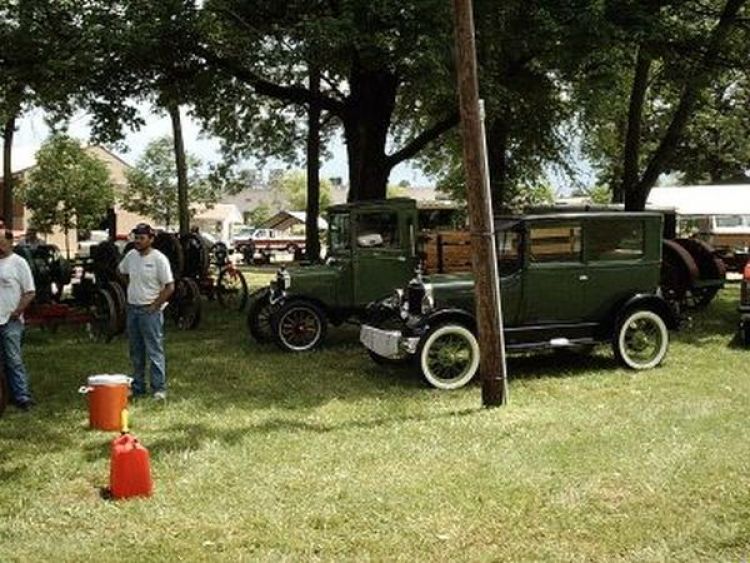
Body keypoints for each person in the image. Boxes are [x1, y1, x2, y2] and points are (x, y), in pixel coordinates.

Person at [118, 224, 174, 400]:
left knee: (154, 350)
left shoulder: (159, 259)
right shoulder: (131, 256)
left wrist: (155, 305)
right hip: (132, 309)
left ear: (151, 239)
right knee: (136, 350)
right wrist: (131, 285)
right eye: (136, 238)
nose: (138, 241)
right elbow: (121, 271)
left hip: (150, 311)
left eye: (142, 238)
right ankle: (138, 386)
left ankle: (158, 388)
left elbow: (169, 286)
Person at [0, 230, 36, 411]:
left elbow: (30, 292)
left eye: (0, 241)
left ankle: (22, 396)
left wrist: (17, 311)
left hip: (11, 320)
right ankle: (5, 395)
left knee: (13, 360)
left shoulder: (19, 263)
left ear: (10, 242)